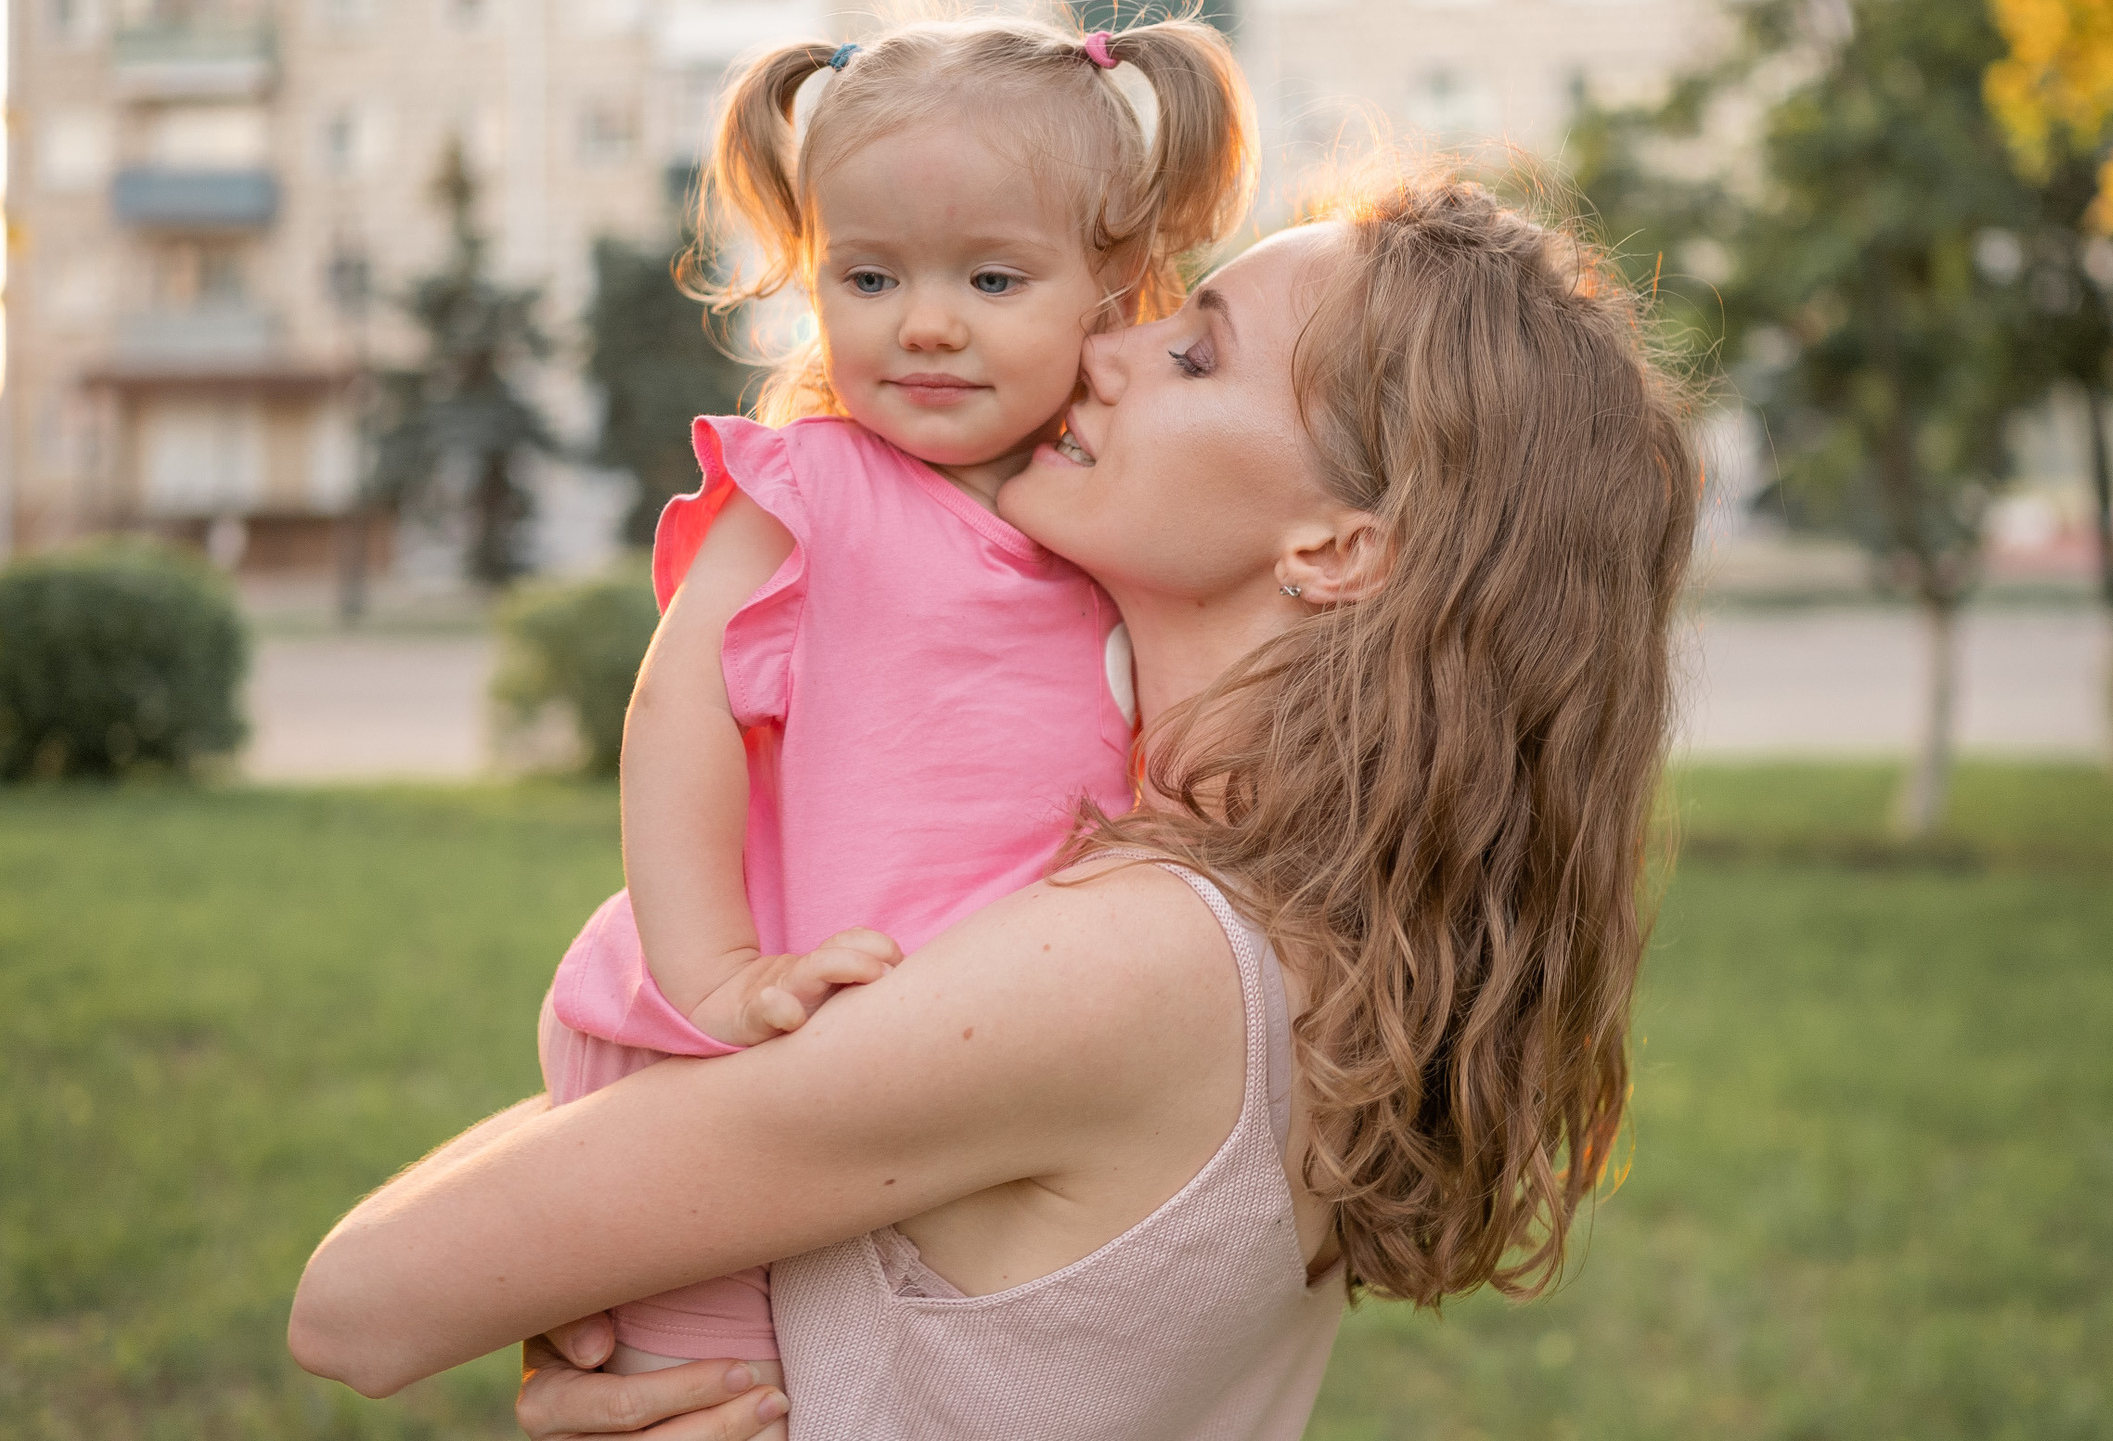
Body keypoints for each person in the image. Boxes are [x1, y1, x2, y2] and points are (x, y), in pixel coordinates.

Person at [290, 173, 1700, 1441]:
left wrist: (587, 1265)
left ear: (1337, 548)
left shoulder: (1133, 962)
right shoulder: (1313, 930)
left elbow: (358, 1305)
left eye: (1193, 350)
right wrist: (627, 1243)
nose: (1099, 350)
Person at [532, 12, 1254, 1421]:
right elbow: (673, 720)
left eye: (992, 276)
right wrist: (720, 975)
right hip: (728, 1049)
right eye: (867, 276)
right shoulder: (809, 493)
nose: (923, 322)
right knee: (720, 1407)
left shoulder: (1103, 524)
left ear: (1115, 288)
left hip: (963, 1082)